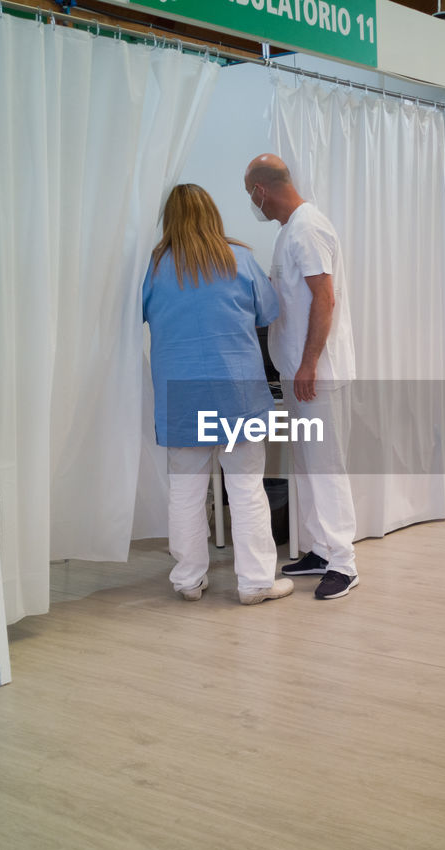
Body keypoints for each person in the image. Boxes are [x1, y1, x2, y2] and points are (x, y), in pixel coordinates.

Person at [142, 183, 293, 606]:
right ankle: (255, 583)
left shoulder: (154, 268)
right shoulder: (240, 258)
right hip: (236, 393)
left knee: (186, 492)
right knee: (246, 490)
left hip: (181, 397)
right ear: (212, 214)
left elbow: (132, 316)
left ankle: (188, 580)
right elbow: (268, 312)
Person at [244, 154, 358, 600]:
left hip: (316, 373)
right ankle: (318, 549)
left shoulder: (307, 229)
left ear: (260, 190)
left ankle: (344, 563)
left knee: (326, 466)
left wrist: (310, 363)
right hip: (298, 371)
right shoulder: (290, 230)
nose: (252, 204)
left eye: (249, 195)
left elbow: (323, 299)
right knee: (308, 466)